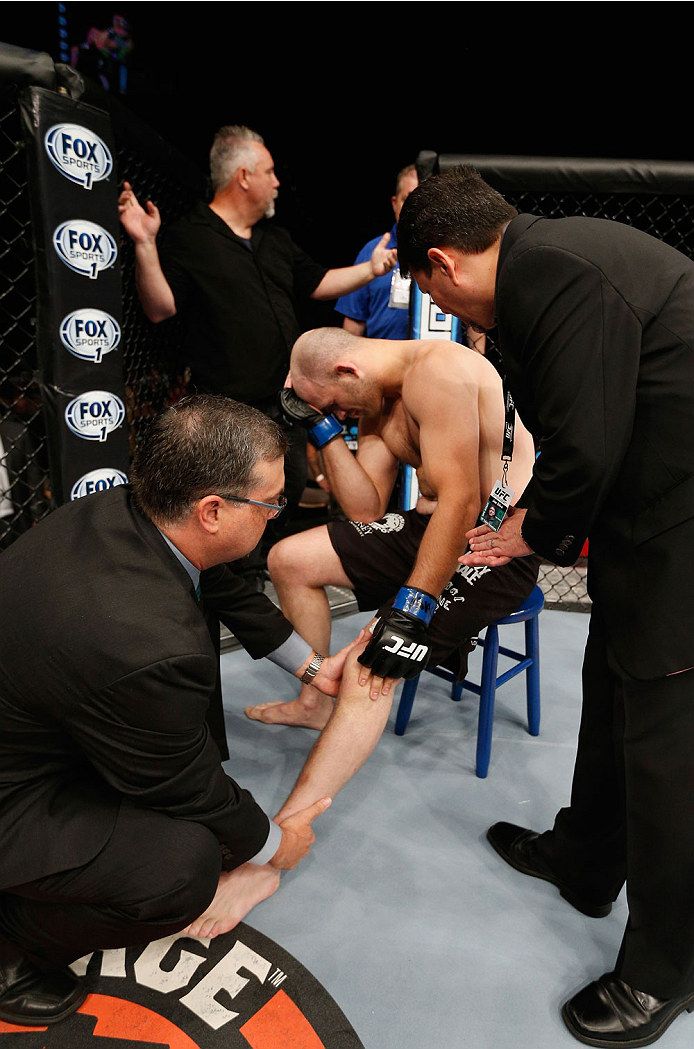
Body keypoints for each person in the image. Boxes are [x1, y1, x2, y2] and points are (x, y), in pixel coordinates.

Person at [396, 164, 694, 1047]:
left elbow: (586, 445)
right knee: (613, 685)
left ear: (442, 265)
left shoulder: (556, 270)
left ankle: (663, 970)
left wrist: (534, 530)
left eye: (433, 295)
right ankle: (586, 855)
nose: (446, 313)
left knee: (669, 752)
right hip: (656, 516)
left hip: (684, 527)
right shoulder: (549, 262)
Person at [0, 394, 363, 1028]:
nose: (279, 515)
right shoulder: (146, 645)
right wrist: (277, 845)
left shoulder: (123, 510)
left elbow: (220, 584)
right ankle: (10, 944)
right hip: (14, 790)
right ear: (213, 509)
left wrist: (311, 667)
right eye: (272, 503)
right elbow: (188, 786)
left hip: (37, 726)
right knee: (181, 869)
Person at [117, 125, 397, 590]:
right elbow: (160, 307)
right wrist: (145, 244)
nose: (277, 182)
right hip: (231, 407)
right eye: (268, 172)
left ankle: (257, 579)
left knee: (288, 489)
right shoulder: (191, 236)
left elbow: (320, 282)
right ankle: (232, 591)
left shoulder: (274, 239)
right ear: (243, 176)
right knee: (235, 509)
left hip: (285, 402)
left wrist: (370, 270)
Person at [244, 327, 540, 728]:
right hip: (427, 526)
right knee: (288, 559)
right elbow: (365, 510)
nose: (340, 415)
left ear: (347, 370)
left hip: (491, 542)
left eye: (333, 404)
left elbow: (462, 501)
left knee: (370, 659)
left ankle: (310, 792)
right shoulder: (377, 403)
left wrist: (410, 610)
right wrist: (323, 428)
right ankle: (314, 705)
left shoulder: (439, 371)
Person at [335, 164, 419, 340]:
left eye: (421, 200)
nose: (414, 208)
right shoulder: (372, 252)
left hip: (437, 363)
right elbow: (353, 322)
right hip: (381, 361)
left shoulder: (451, 252)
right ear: (395, 203)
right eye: (408, 199)